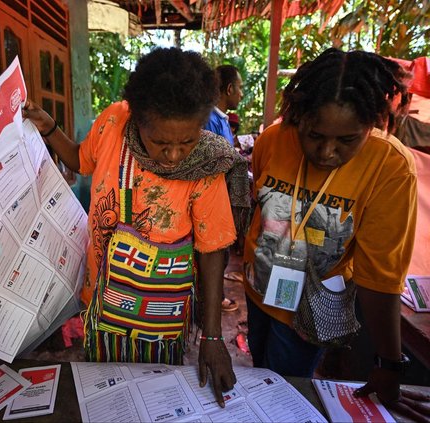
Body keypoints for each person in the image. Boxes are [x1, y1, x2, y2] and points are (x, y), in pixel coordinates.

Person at [22, 47, 250, 407]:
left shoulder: (206, 164)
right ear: (136, 118)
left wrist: (211, 338)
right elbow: (81, 160)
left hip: (163, 313)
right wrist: (49, 127)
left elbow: (211, 249)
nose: (174, 155)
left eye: (186, 141)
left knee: (158, 397)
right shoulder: (114, 122)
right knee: (107, 397)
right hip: (104, 301)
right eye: (160, 142)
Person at [243, 47, 430, 419]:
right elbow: (259, 211)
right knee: (259, 373)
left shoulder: (390, 167)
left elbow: (380, 277)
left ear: (371, 124)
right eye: (314, 135)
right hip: (258, 287)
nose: (327, 152)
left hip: (310, 307)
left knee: (284, 396)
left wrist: (389, 363)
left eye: (347, 140)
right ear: (299, 117)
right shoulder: (273, 139)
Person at [204, 64, 244, 312]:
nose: (241, 94)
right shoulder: (210, 119)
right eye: (239, 88)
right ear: (229, 89)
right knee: (214, 254)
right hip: (212, 200)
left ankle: (214, 296)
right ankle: (212, 299)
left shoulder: (220, 119)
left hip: (221, 199)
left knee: (221, 253)